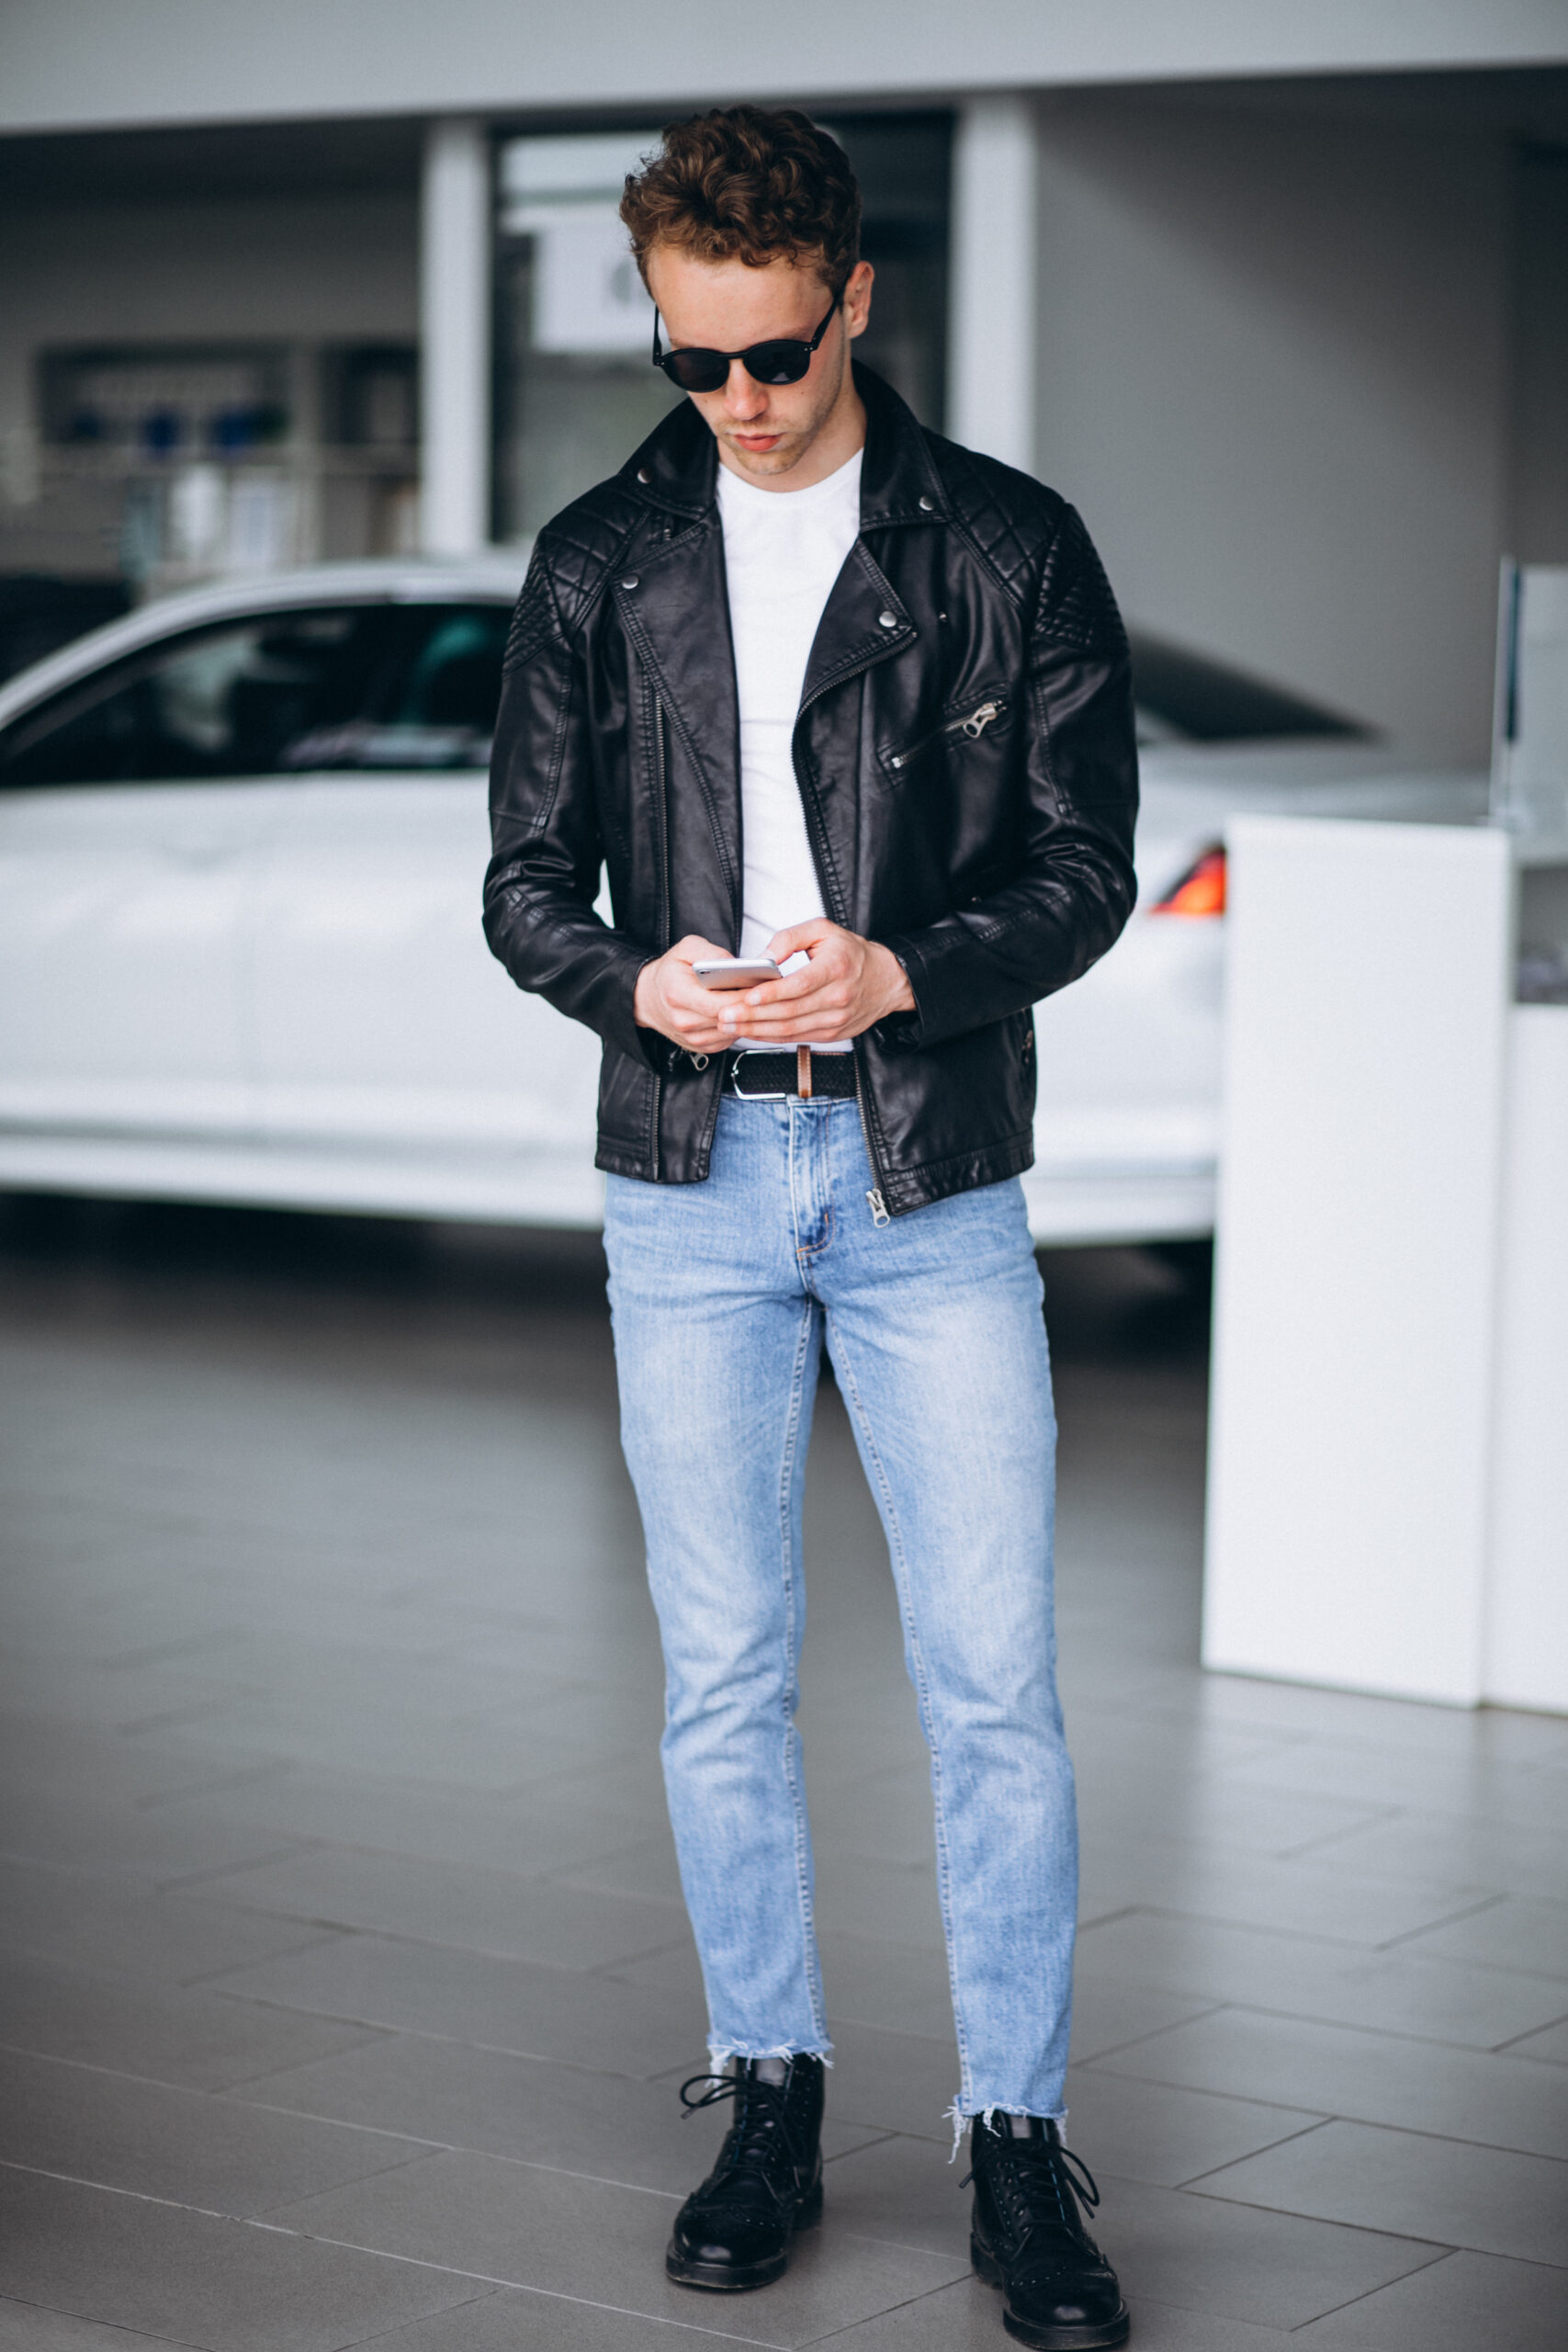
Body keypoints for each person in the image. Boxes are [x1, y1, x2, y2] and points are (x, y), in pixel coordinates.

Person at [484, 104, 1138, 2352]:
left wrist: (900, 971)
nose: (738, 402)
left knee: (993, 1687)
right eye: (691, 362)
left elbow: (1080, 868)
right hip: (683, 1179)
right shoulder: (598, 560)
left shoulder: (1007, 547)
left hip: (923, 1173)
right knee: (723, 1675)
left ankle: (1013, 2134)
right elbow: (522, 882)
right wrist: (629, 981)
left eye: (772, 353)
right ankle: (765, 2089)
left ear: (853, 297)